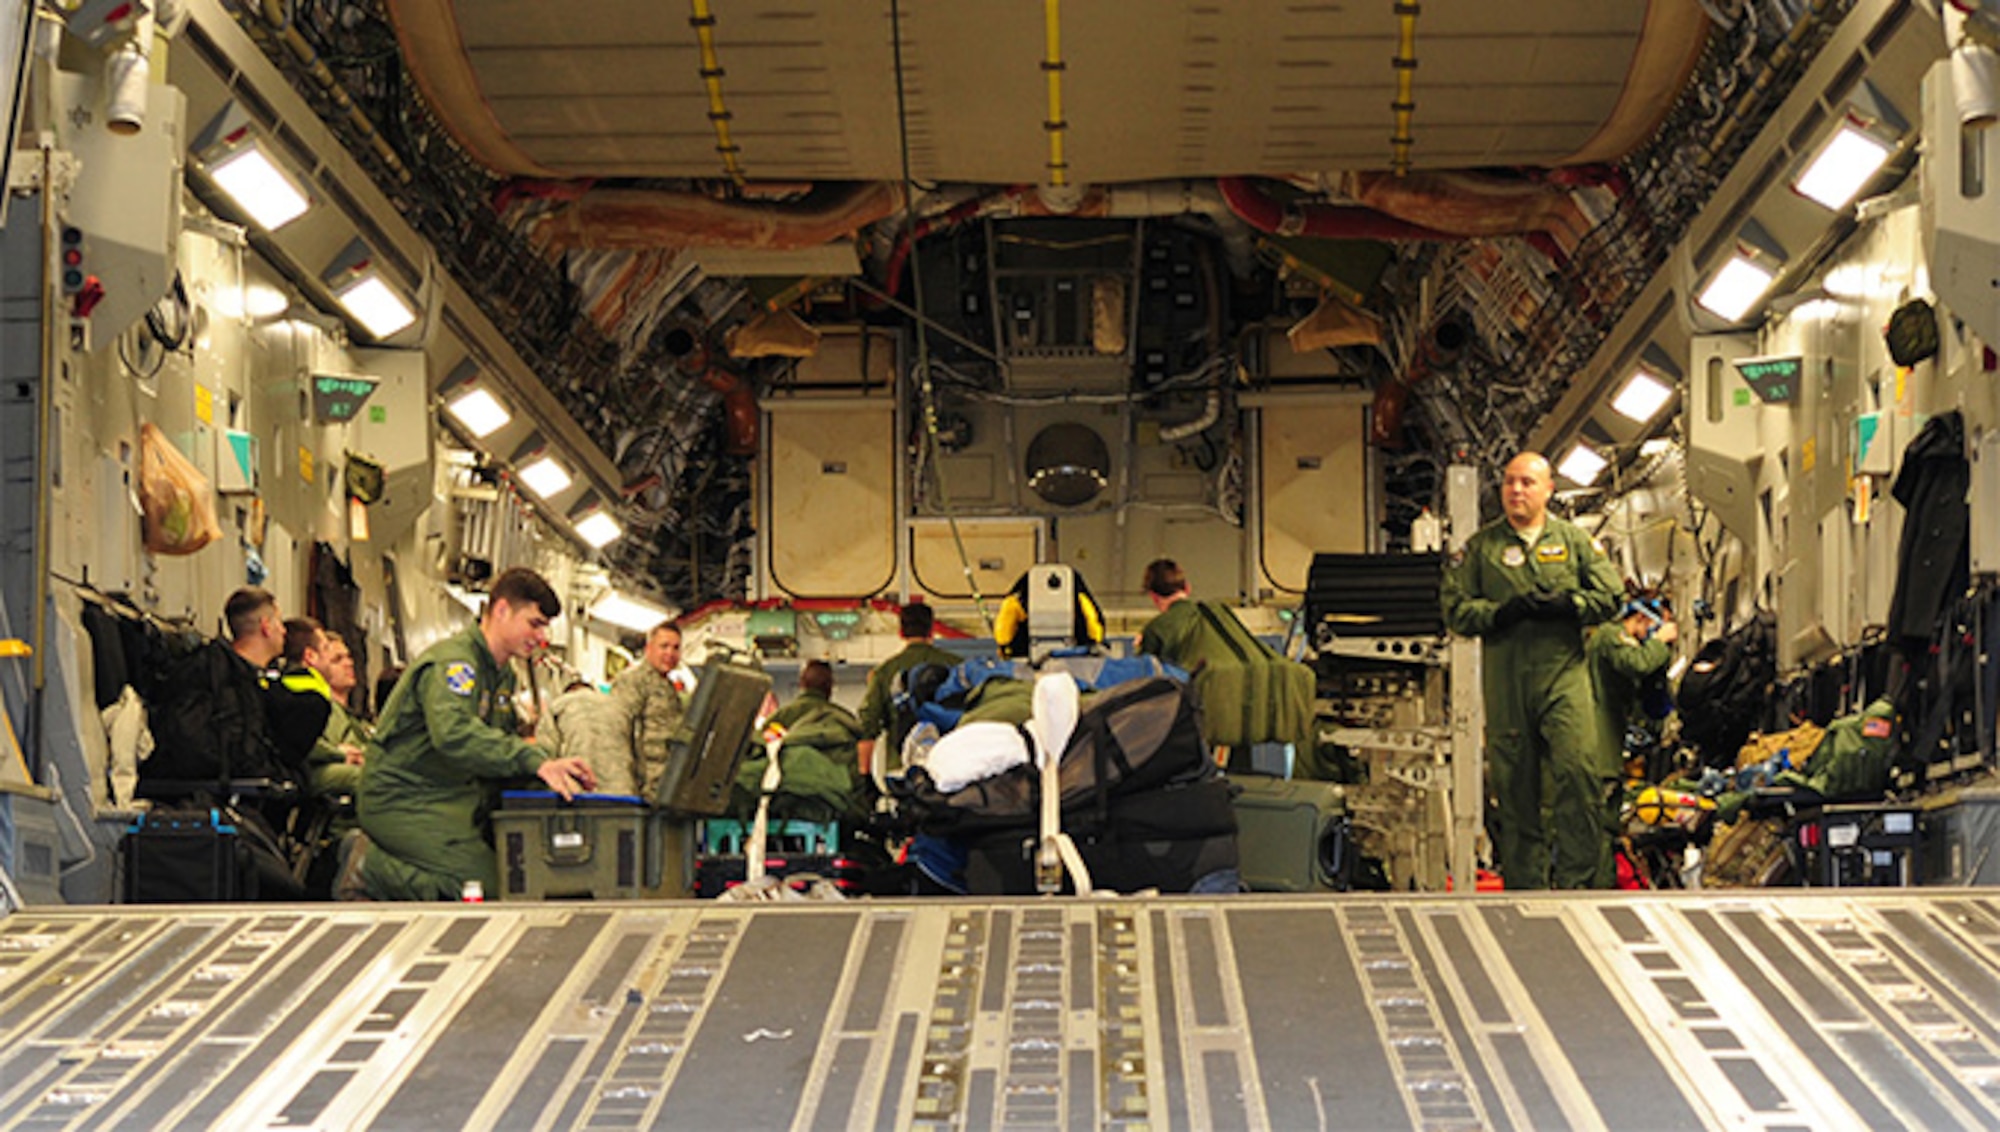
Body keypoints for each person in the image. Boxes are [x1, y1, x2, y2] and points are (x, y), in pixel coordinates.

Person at [342, 567, 596, 901]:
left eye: (544, 627)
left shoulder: (502, 676)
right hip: (403, 798)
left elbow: (496, 748)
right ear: (502, 610)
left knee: (519, 876)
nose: (540, 637)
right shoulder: (455, 664)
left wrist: (549, 771)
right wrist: (533, 760)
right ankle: (369, 868)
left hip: (453, 797)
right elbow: (454, 734)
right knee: (485, 890)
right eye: (534, 623)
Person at [1441, 451, 1622, 890]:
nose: (1516, 490)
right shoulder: (1483, 548)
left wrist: (1570, 605)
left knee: (1578, 773)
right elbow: (1455, 608)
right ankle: (1526, 889)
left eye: (1526, 482)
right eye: (1509, 482)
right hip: (1508, 686)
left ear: (1547, 491)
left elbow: (1611, 596)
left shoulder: (1575, 542)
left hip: (1564, 679)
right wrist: (1501, 614)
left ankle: (1581, 883)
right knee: (1516, 788)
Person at [856, 602, 959, 775]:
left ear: (901, 632)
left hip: (900, 767)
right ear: (931, 630)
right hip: (948, 763)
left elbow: (868, 724)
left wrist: (866, 778)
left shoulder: (884, 672)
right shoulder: (956, 666)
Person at [279, 619, 371, 799]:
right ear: (310, 656)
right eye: (333, 655)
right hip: (309, 770)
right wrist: (338, 754)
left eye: (349, 657)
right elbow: (305, 742)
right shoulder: (303, 692)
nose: (349, 664)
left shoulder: (318, 694)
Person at [610, 621, 688, 801]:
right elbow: (619, 731)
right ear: (649, 648)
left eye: (675, 648)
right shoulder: (632, 681)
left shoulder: (669, 687)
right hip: (642, 786)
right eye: (664, 646)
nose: (670, 653)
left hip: (664, 783)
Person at [541, 677, 636, 796]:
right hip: (621, 792)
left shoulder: (557, 706)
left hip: (579, 791)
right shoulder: (619, 706)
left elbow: (545, 752)